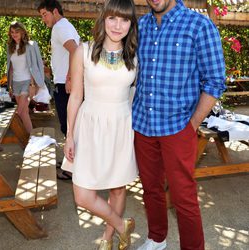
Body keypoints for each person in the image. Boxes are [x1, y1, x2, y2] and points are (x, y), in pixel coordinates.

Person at [132, 0, 227, 249]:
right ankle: (156, 238)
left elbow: (216, 81)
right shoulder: (140, 26)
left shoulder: (199, 25)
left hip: (178, 127)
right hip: (143, 124)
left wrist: (193, 124)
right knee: (150, 189)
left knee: (183, 196)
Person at [61, 0, 138, 249]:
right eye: (112, 18)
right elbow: (75, 96)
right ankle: (121, 224)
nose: (118, 25)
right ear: (103, 19)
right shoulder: (82, 50)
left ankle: (107, 239)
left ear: (131, 24)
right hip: (90, 123)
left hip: (121, 125)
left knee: (117, 188)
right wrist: (70, 135)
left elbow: (136, 93)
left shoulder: (136, 55)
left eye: (124, 19)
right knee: (83, 195)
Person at [38, 0, 80, 180]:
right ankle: (70, 162)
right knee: (71, 126)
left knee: (68, 126)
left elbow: (75, 50)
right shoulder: (66, 26)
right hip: (66, 82)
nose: (43, 19)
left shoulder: (60, 27)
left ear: (55, 11)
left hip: (65, 83)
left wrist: (70, 77)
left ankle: (73, 169)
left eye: (44, 14)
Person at [7, 21, 46, 133]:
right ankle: (31, 138)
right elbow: (10, 68)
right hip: (15, 83)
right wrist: (9, 86)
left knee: (19, 112)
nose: (14, 34)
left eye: (17, 32)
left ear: (23, 32)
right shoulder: (10, 47)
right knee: (24, 113)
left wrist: (32, 85)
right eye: (12, 32)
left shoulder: (30, 46)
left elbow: (33, 66)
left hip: (27, 82)